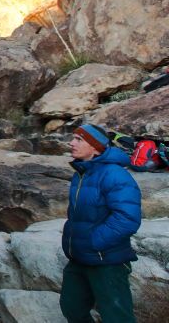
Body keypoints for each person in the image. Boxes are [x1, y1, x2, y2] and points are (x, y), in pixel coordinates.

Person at [59, 123, 141, 323]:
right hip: (79, 256)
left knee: (117, 317)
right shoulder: (81, 173)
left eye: (79, 139)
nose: (71, 143)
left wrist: (94, 242)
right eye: (73, 138)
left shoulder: (115, 174)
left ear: (96, 148)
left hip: (106, 259)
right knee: (71, 308)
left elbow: (127, 218)